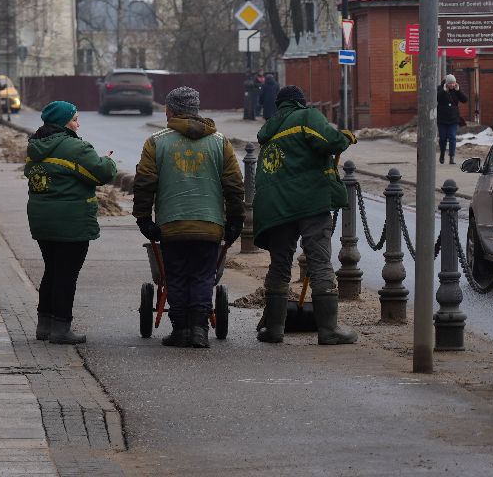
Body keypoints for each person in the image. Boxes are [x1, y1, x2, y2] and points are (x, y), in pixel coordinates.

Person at [133, 86, 245, 349]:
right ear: (195, 110)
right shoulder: (220, 142)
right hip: (210, 224)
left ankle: (181, 330)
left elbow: (144, 183)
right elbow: (234, 184)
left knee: (177, 275)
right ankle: (198, 331)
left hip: (172, 224)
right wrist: (236, 219)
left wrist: (143, 218)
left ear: (170, 111)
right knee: (203, 276)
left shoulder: (156, 142)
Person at [252, 84, 358, 345]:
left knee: (279, 264)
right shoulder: (306, 117)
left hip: (274, 207)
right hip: (308, 200)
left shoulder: (270, 132)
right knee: (319, 261)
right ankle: (328, 330)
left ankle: (275, 329)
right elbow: (330, 142)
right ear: (300, 102)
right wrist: (345, 137)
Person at [24, 101, 116, 345]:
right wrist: (107, 160)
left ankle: (44, 325)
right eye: (75, 119)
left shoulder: (35, 146)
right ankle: (61, 328)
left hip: (41, 220)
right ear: (64, 122)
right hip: (71, 221)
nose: (78, 123)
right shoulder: (75, 147)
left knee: (52, 270)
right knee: (66, 274)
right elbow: (101, 174)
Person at [436, 74, 469, 165]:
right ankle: (442, 153)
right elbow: (437, 98)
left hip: (453, 118)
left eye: (453, 83)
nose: (452, 85)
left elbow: (464, 100)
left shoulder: (456, 90)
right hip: (442, 119)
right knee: (443, 138)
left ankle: (451, 157)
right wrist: (444, 91)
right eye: (450, 83)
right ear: (446, 83)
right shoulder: (440, 88)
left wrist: (458, 91)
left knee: (452, 137)